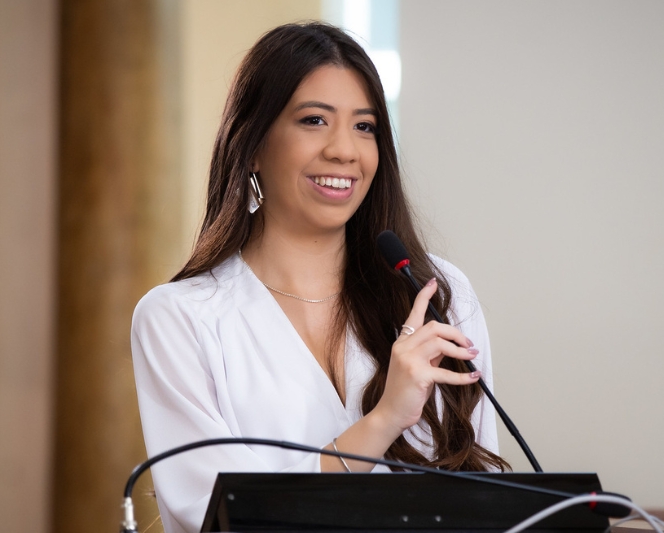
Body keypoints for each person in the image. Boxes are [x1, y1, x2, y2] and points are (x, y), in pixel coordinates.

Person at [131, 22, 509, 533]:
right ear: (253, 145)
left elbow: (486, 501)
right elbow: (218, 515)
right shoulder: (178, 318)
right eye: (314, 120)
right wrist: (384, 420)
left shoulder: (438, 294)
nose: (344, 150)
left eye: (365, 126)